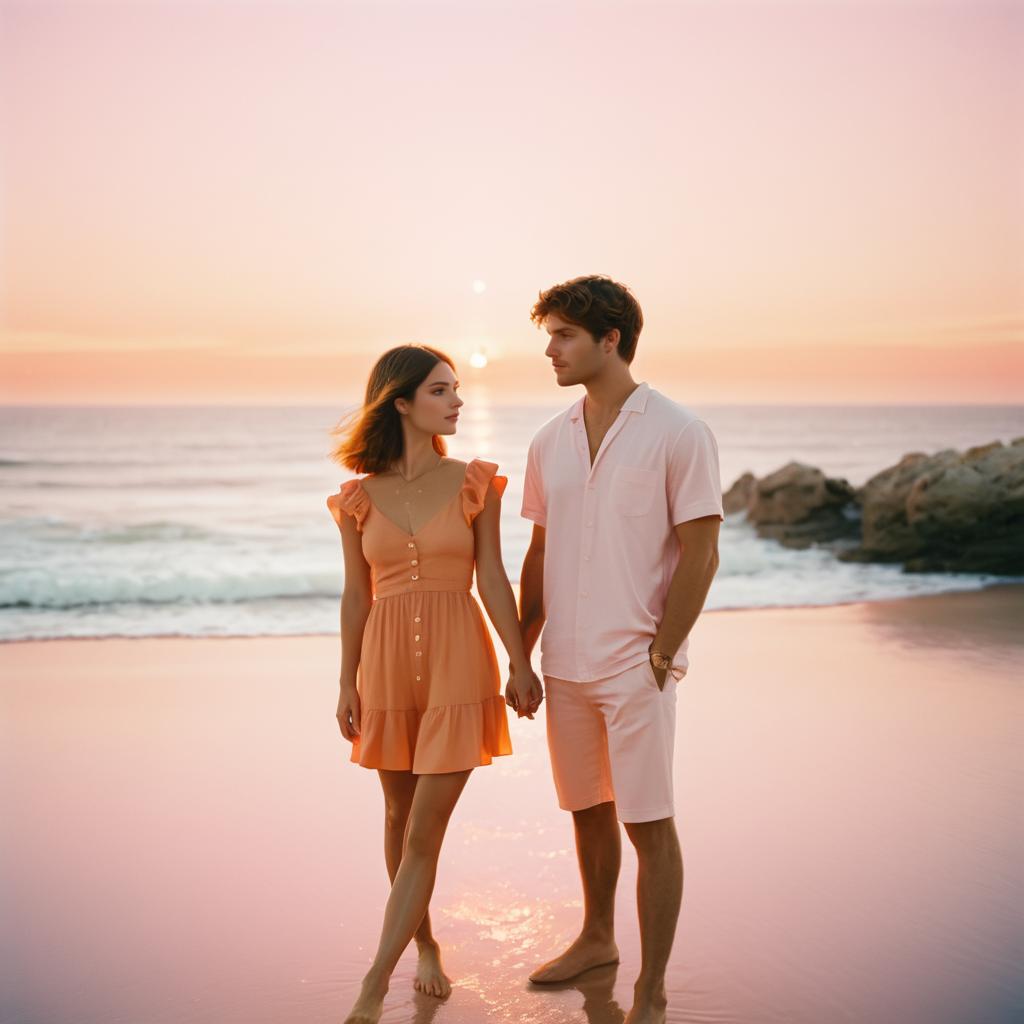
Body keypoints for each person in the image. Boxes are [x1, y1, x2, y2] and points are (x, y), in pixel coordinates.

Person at [517, 275, 723, 1024]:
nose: (550, 349)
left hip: (638, 663)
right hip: (563, 666)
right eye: (549, 335)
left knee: (648, 820)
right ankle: (597, 939)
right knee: (586, 810)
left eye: (564, 335)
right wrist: (520, 654)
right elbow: (539, 553)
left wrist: (664, 654)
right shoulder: (550, 439)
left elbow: (702, 553)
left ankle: (652, 987)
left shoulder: (679, 431)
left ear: (611, 339)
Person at [326, 344, 543, 1024]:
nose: (456, 401)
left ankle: (371, 987)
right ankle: (424, 945)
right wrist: (346, 682)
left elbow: (493, 577)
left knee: (423, 830)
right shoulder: (356, 499)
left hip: (459, 664)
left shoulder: (475, 481)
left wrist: (518, 660)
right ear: (401, 401)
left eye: (456, 389)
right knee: (396, 818)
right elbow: (355, 596)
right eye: (441, 390)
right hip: (385, 671)